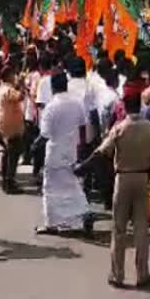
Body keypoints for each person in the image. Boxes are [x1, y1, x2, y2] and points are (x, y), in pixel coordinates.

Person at [75, 85, 150, 289]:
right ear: (139, 104)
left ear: (124, 105)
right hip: (142, 179)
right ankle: (142, 274)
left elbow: (100, 153)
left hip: (123, 179)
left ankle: (117, 275)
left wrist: (81, 168)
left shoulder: (119, 128)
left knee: (119, 228)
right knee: (141, 228)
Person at [37, 72, 93, 235]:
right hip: (72, 150)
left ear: (53, 87)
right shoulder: (77, 103)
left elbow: (45, 135)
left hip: (55, 153)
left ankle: (52, 224)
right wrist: (82, 147)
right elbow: (83, 127)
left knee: (51, 188)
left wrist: (35, 147)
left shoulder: (51, 106)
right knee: (72, 185)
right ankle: (83, 213)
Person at [0, 65, 25, 194]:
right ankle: (9, 182)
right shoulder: (8, 89)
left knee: (8, 153)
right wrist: (22, 84)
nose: (15, 77)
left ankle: (5, 181)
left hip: (5, 125)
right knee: (13, 154)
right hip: (12, 126)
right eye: (13, 75)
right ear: (8, 76)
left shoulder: (2, 88)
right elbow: (20, 97)